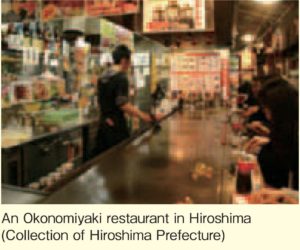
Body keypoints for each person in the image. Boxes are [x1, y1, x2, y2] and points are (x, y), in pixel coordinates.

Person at [96, 44, 160, 153]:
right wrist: (144, 116)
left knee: (103, 161)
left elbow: (101, 101)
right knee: (121, 158)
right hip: (116, 125)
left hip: (103, 124)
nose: (130, 65)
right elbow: (123, 104)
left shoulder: (103, 76)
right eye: (129, 62)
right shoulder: (121, 77)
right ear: (124, 60)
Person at [246, 79, 298, 190]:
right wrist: (270, 139)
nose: (266, 114)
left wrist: (285, 195)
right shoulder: (286, 127)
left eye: (267, 109)